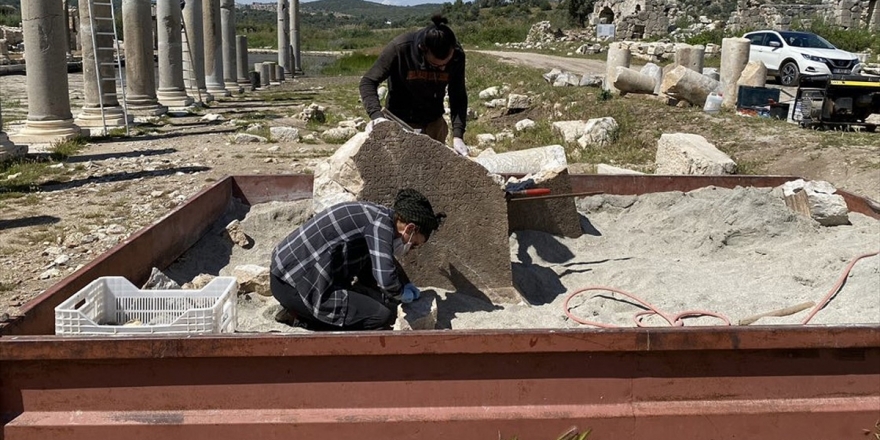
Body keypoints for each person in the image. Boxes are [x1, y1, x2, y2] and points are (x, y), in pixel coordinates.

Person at [269, 189, 446, 331]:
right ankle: (303, 320)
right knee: (379, 316)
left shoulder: (377, 216)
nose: (410, 250)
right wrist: (401, 292)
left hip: (284, 275)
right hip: (296, 284)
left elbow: (373, 264)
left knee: (376, 301)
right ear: (409, 228)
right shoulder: (380, 226)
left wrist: (403, 283)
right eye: (413, 244)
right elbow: (386, 279)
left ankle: (300, 312)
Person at [359, 14, 470, 157]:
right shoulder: (400, 48)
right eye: (436, 65)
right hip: (399, 123)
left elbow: (458, 95)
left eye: (445, 64)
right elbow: (368, 81)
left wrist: (458, 135)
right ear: (422, 50)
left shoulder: (457, 55)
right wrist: (377, 117)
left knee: (434, 173)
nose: (443, 69)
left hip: (433, 123)